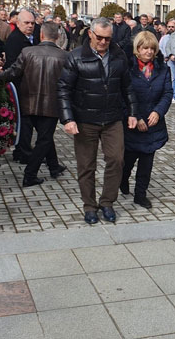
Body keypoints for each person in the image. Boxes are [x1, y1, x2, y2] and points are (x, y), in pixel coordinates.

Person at [58, 17, 138, 224]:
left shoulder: (119, 56)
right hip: (85, 120)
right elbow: (63, 89)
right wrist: (68, 119)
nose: (103, 42)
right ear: (91, 34)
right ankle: (89, 206)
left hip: (112, 118)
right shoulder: (75, 57)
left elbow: (128, 87)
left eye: (107, 38)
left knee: (116, 160)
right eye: (100, 38)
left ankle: (107, 202)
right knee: (86, 166)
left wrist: (132, 113)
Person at [0, 21, 68, 187]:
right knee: (44, 139)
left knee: (44, 137)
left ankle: (54, 166)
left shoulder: (27, 52)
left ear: (41, 35)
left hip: (29, 102)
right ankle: (30, 174)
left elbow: (13, 72)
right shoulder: (63, 56)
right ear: (58, 37)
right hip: (51, 105)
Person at [120, 31, 172, 209]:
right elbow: (124, 95)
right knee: (128, 160)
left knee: (146, 163)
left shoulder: (163, 69)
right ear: (137, 49)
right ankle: (123, 179)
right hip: (133, 123)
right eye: (145, 48)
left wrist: (158, 112)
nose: (149, 52)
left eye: (152, 48)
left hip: (153, 125)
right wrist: (136, 116)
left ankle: (140, 194)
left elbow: (167, 93)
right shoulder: (128, 68)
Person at [4, 9, 38, 163]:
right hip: (21, 84)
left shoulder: (33, 37)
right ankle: (23, 152)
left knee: (29, 121)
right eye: (27, 23)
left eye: (32, 23)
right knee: (25, 120)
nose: (30, 26)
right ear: (18, 23)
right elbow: (13, 65)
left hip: (32, 84)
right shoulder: (15, 39)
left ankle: (24, 149)